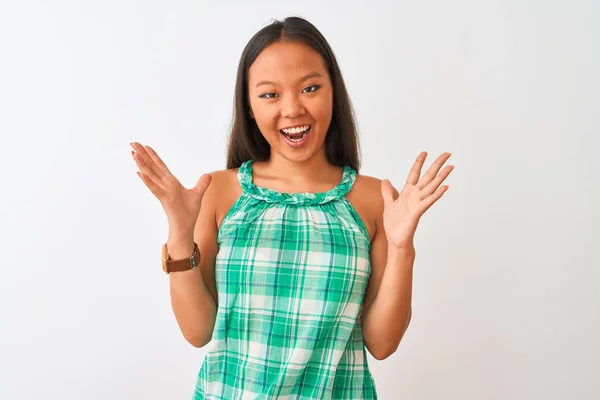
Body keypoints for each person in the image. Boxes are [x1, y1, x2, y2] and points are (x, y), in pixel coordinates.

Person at [131, 16, 453, 400]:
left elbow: (382, 344)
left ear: (334, 92)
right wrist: (180, 234)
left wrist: (402, 248)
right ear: (249, 106)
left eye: (310, 88)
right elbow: (198, 332)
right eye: (270, 95)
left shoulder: (373, 200)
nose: (292, 109)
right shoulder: (218, 192)